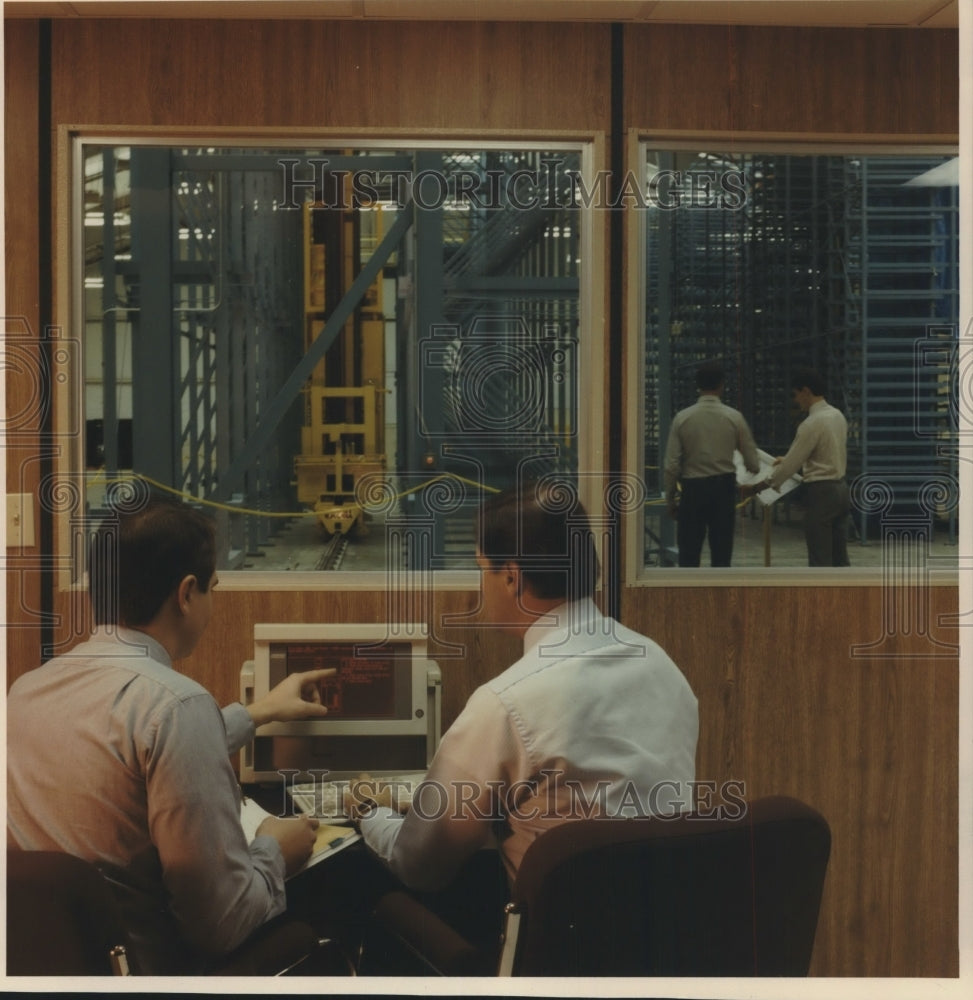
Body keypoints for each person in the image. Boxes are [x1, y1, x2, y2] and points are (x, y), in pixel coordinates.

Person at [349, 482, 699, 960]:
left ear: (511, 577)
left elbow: (421, 863)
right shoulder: (663, 669)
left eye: (482, 570)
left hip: (557, 963)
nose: (481, 585)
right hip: (662, 954)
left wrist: (369, 811)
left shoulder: (508, 704)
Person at [6, 497, 337, 974]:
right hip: (154, 970)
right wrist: (274, 852)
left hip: (47, 965)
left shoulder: (26, 691)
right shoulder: (176, 708)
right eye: (213, 589)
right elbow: (222, 923)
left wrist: (259, 711)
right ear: (186, 594)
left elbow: (121, 753)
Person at [663, 362, 760, 567]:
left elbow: (671, 465)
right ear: (722, 385)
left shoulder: (683, 418)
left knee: (688, 554)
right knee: (722, 554)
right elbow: (753, 462)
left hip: (693, 490)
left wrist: (671, 499)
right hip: (723, 490)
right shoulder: (734, 417)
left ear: (698, 385)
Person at [751, 368, 850, 567]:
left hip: (821, 494)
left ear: (806, 391)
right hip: (841, 490)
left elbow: (788, 469)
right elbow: (825, 451)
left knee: (820, 559)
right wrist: (789, 459)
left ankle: (821, 597)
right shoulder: (837, 415)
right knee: (839, 558)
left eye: (796, 395)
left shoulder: (811, 423)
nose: (796, 401)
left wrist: (757, 487)